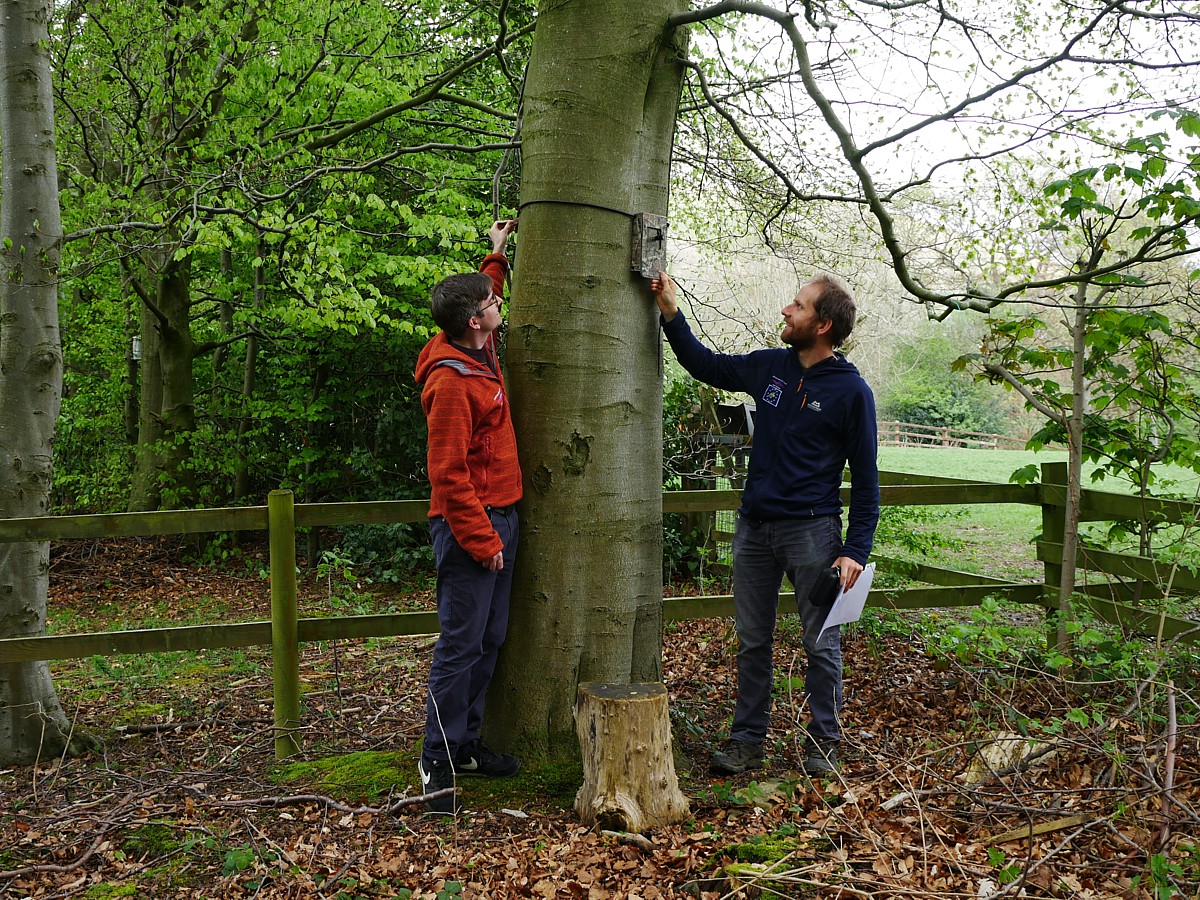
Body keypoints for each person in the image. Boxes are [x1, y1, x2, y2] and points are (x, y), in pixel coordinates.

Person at [650, 271, 880, 776]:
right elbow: (703, 364)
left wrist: (855, 551)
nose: (785, 311)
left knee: (820, 642)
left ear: (822, 325)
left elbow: (867, 482)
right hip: (755, 530)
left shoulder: (852, 393)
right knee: (753, 640)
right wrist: (670, 312)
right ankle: (747, 740)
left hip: (814, 535)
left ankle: (824, 743)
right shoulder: (770, 368)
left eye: (797, 306)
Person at [413, 219, 522, 814]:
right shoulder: (452, 383)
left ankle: (465, 745)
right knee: (460, 645)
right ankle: (436, 763)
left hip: (502, 518)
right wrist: (482, 540)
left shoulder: (476, 343)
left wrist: (496, 253)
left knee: (491, 637)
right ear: (475, 323)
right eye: (489, 303)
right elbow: (447, 475)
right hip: (471, 528)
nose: (495, 301)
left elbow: (483, 289)